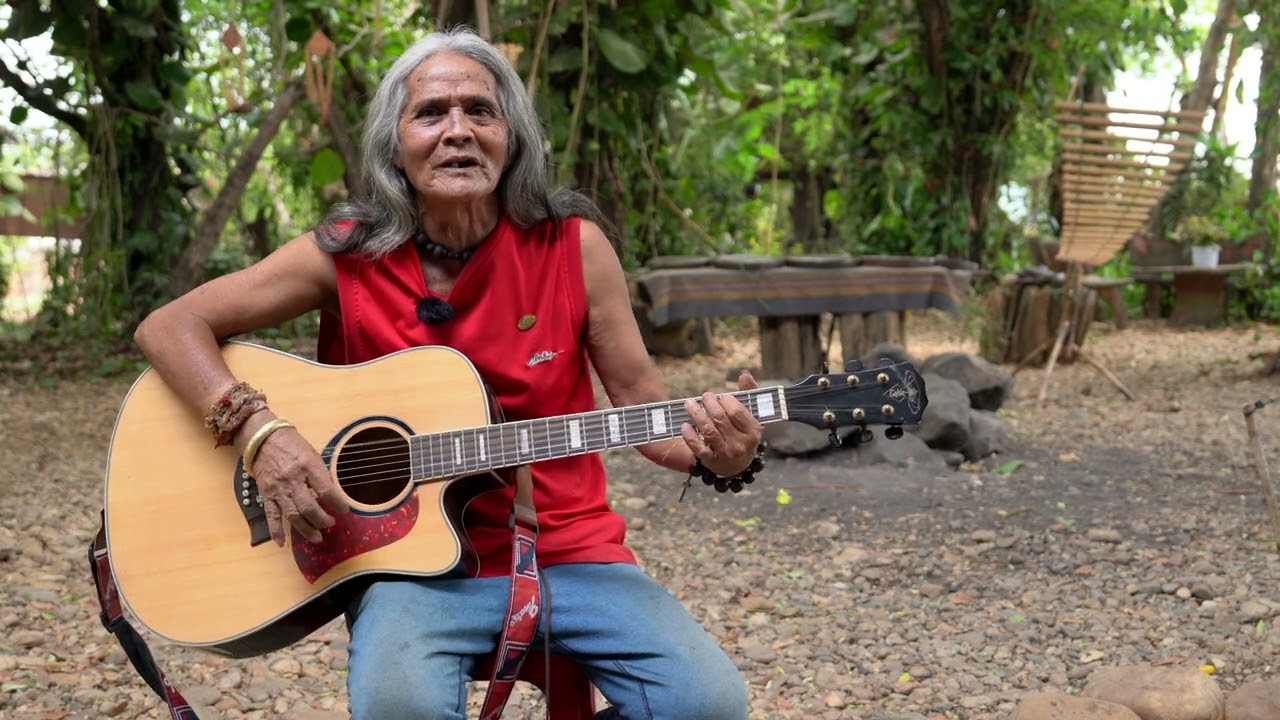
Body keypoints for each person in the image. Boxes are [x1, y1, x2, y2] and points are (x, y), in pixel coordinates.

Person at [134, 27, 763, 720]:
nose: (458, 130)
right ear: (394, 146)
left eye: (480, 111)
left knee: (708, 704)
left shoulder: (574, 249)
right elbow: (168, 326)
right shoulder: (348, 254)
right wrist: (261, 434)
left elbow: (649, 417)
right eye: (432, 113)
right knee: (397, 707)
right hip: (412, 565)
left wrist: (721, 455)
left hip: (571, 550)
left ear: (511, 137)